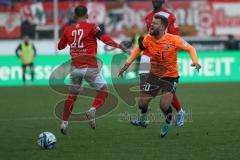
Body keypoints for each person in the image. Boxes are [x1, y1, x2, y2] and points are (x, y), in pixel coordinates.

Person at [118, 15, 201, 137]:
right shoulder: (148, 38)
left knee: (164, 105)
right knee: (142, 104)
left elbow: (191, 48)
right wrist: (128, 63)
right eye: (152, 23)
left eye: (155, 23)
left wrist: (195, 61)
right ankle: (144, 119)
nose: (151, 25)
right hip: (154, 75)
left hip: (170, 77)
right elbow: (138, 48)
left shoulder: (174, 39)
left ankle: (168, 122)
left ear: (162, 27)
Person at [58, 5, 127, 135]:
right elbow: (104, 38)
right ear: (87, 15)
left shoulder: (68, 29)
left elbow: (60, 46)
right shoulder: (91, 26)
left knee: (72, 96)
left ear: (74, 17)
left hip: (75, 68)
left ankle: (64, 123)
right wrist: (118, 45)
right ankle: (92, 109)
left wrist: (70, 41)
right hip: (90, 67)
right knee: (103, 91)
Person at [133, 0, 186, 127]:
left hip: (162, 57)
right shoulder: (148, 17)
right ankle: (144, 118)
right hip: (147, 56)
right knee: (144, 86)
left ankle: (180, 112)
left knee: (165, 88)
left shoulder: (169, 16)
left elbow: (175, 38)